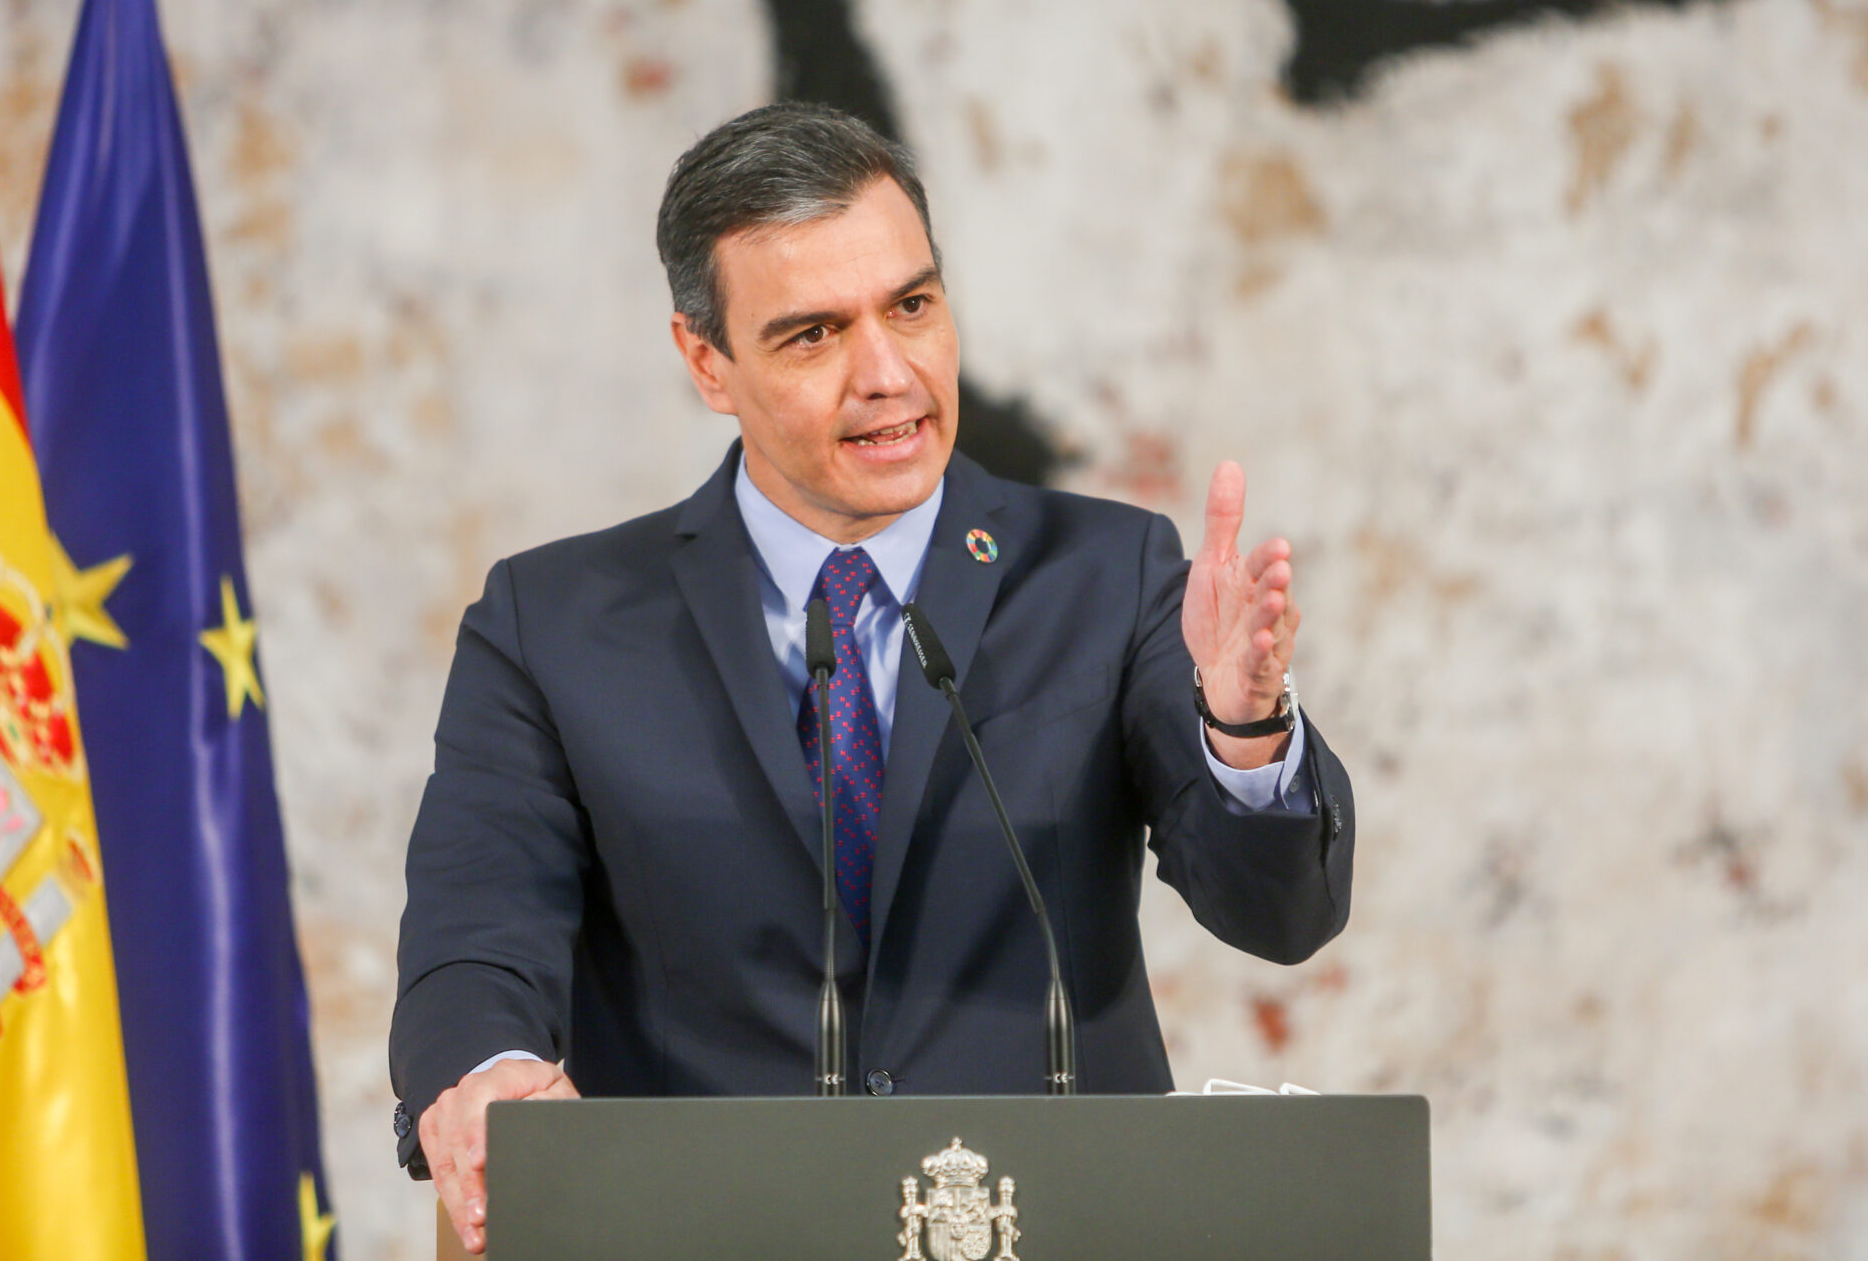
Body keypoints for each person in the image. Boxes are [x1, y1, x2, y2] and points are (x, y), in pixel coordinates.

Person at [390, 102, 1353, 1253]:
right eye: (813, 334)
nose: (887, 374)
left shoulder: (1108, 574)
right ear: (707, 360)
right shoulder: (553, 623)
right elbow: (477, 924)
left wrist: (1242, 732)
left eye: (911, 306)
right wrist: (491, 1073)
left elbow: (1278, 917)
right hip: (707, 1235)